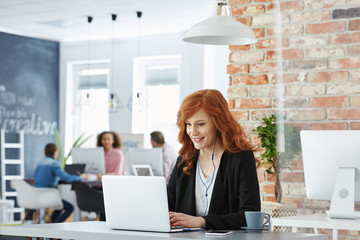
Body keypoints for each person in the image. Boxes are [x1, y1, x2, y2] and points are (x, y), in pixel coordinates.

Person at [167, 89, 261, 230]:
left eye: (200, 124)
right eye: (188, 124)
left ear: (219, 122)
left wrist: (202, 221)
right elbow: (166, 208)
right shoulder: (184, 160)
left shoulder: (241, 158)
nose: (193, 132)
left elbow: (249, 216)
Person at [33, 143, 87, 223]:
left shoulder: (40, 163)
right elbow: (66, 178)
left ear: (45, 152)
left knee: (60, 206)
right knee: (70, 208)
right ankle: (55, 227)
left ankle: (51, 226)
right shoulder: (54, 164)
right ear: (55, 152)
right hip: (49, 195)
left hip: (37, 195)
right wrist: (80, 177)